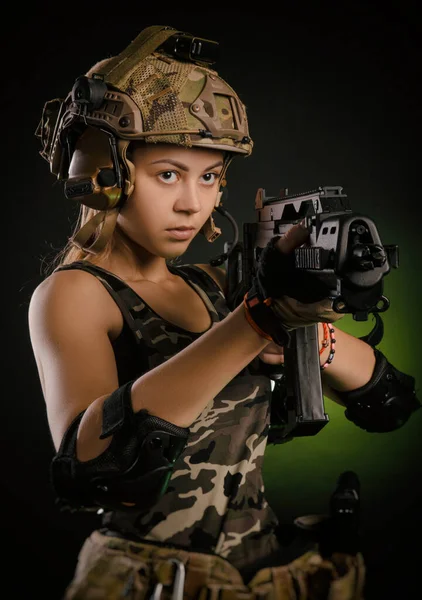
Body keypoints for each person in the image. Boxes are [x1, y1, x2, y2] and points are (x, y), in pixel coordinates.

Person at [29, 24, 419, 599]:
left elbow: (390, 403)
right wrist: (257, 321)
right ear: (102, 174)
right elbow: (97, 468)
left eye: (209, 176)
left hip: (262, 574)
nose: (193, 202)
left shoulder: (220, 288)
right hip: (149, 582)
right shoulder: (78, 293)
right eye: (169, 174)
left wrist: (309, 335)